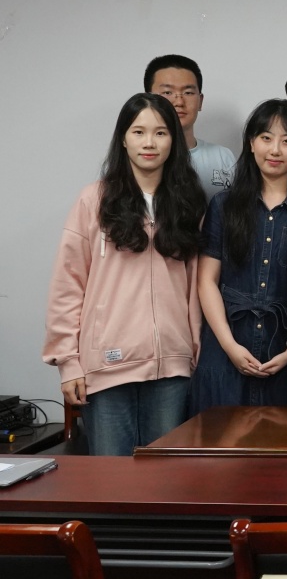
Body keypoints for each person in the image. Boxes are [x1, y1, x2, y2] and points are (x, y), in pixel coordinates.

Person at [43, 93, 207, 455]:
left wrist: (194, 352)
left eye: (161, 133)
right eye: (139, 132)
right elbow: (68, 285)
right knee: (112, 479)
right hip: (106, 367)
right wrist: (68, 363)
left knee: (168, 480)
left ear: (173, 140)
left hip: (173, 369)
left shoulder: (188, 203)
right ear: (123, 138)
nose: (149, 143)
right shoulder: (94, 200)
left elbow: (197, 286)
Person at [191, 100, 287, 413]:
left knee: (284, 442)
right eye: (266, 138)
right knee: (220, 441)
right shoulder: (224, 205)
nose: (275, 150)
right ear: (251, 143)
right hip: (225, 350)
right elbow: (206, 281)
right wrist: (229, 346)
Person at [145, 54, 236, 195]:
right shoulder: (141, 156)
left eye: (188, 93)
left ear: (200, 101)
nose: (179, 102)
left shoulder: (222, 157)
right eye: (167, 92)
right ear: (147, 100)